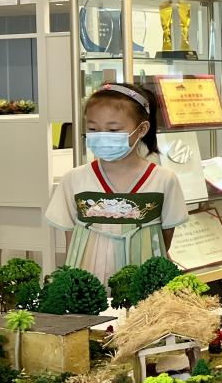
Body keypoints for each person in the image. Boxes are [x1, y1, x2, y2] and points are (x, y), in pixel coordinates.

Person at [46, 83, 188, 284]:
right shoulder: (74, 179)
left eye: (113, 130)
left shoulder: (164, 179)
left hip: (143, 280)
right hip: (89, 281)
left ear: (142, 129)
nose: (102, 136)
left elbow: (166, 236)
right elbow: (71, 237)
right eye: (93, 129)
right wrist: (71, 282)